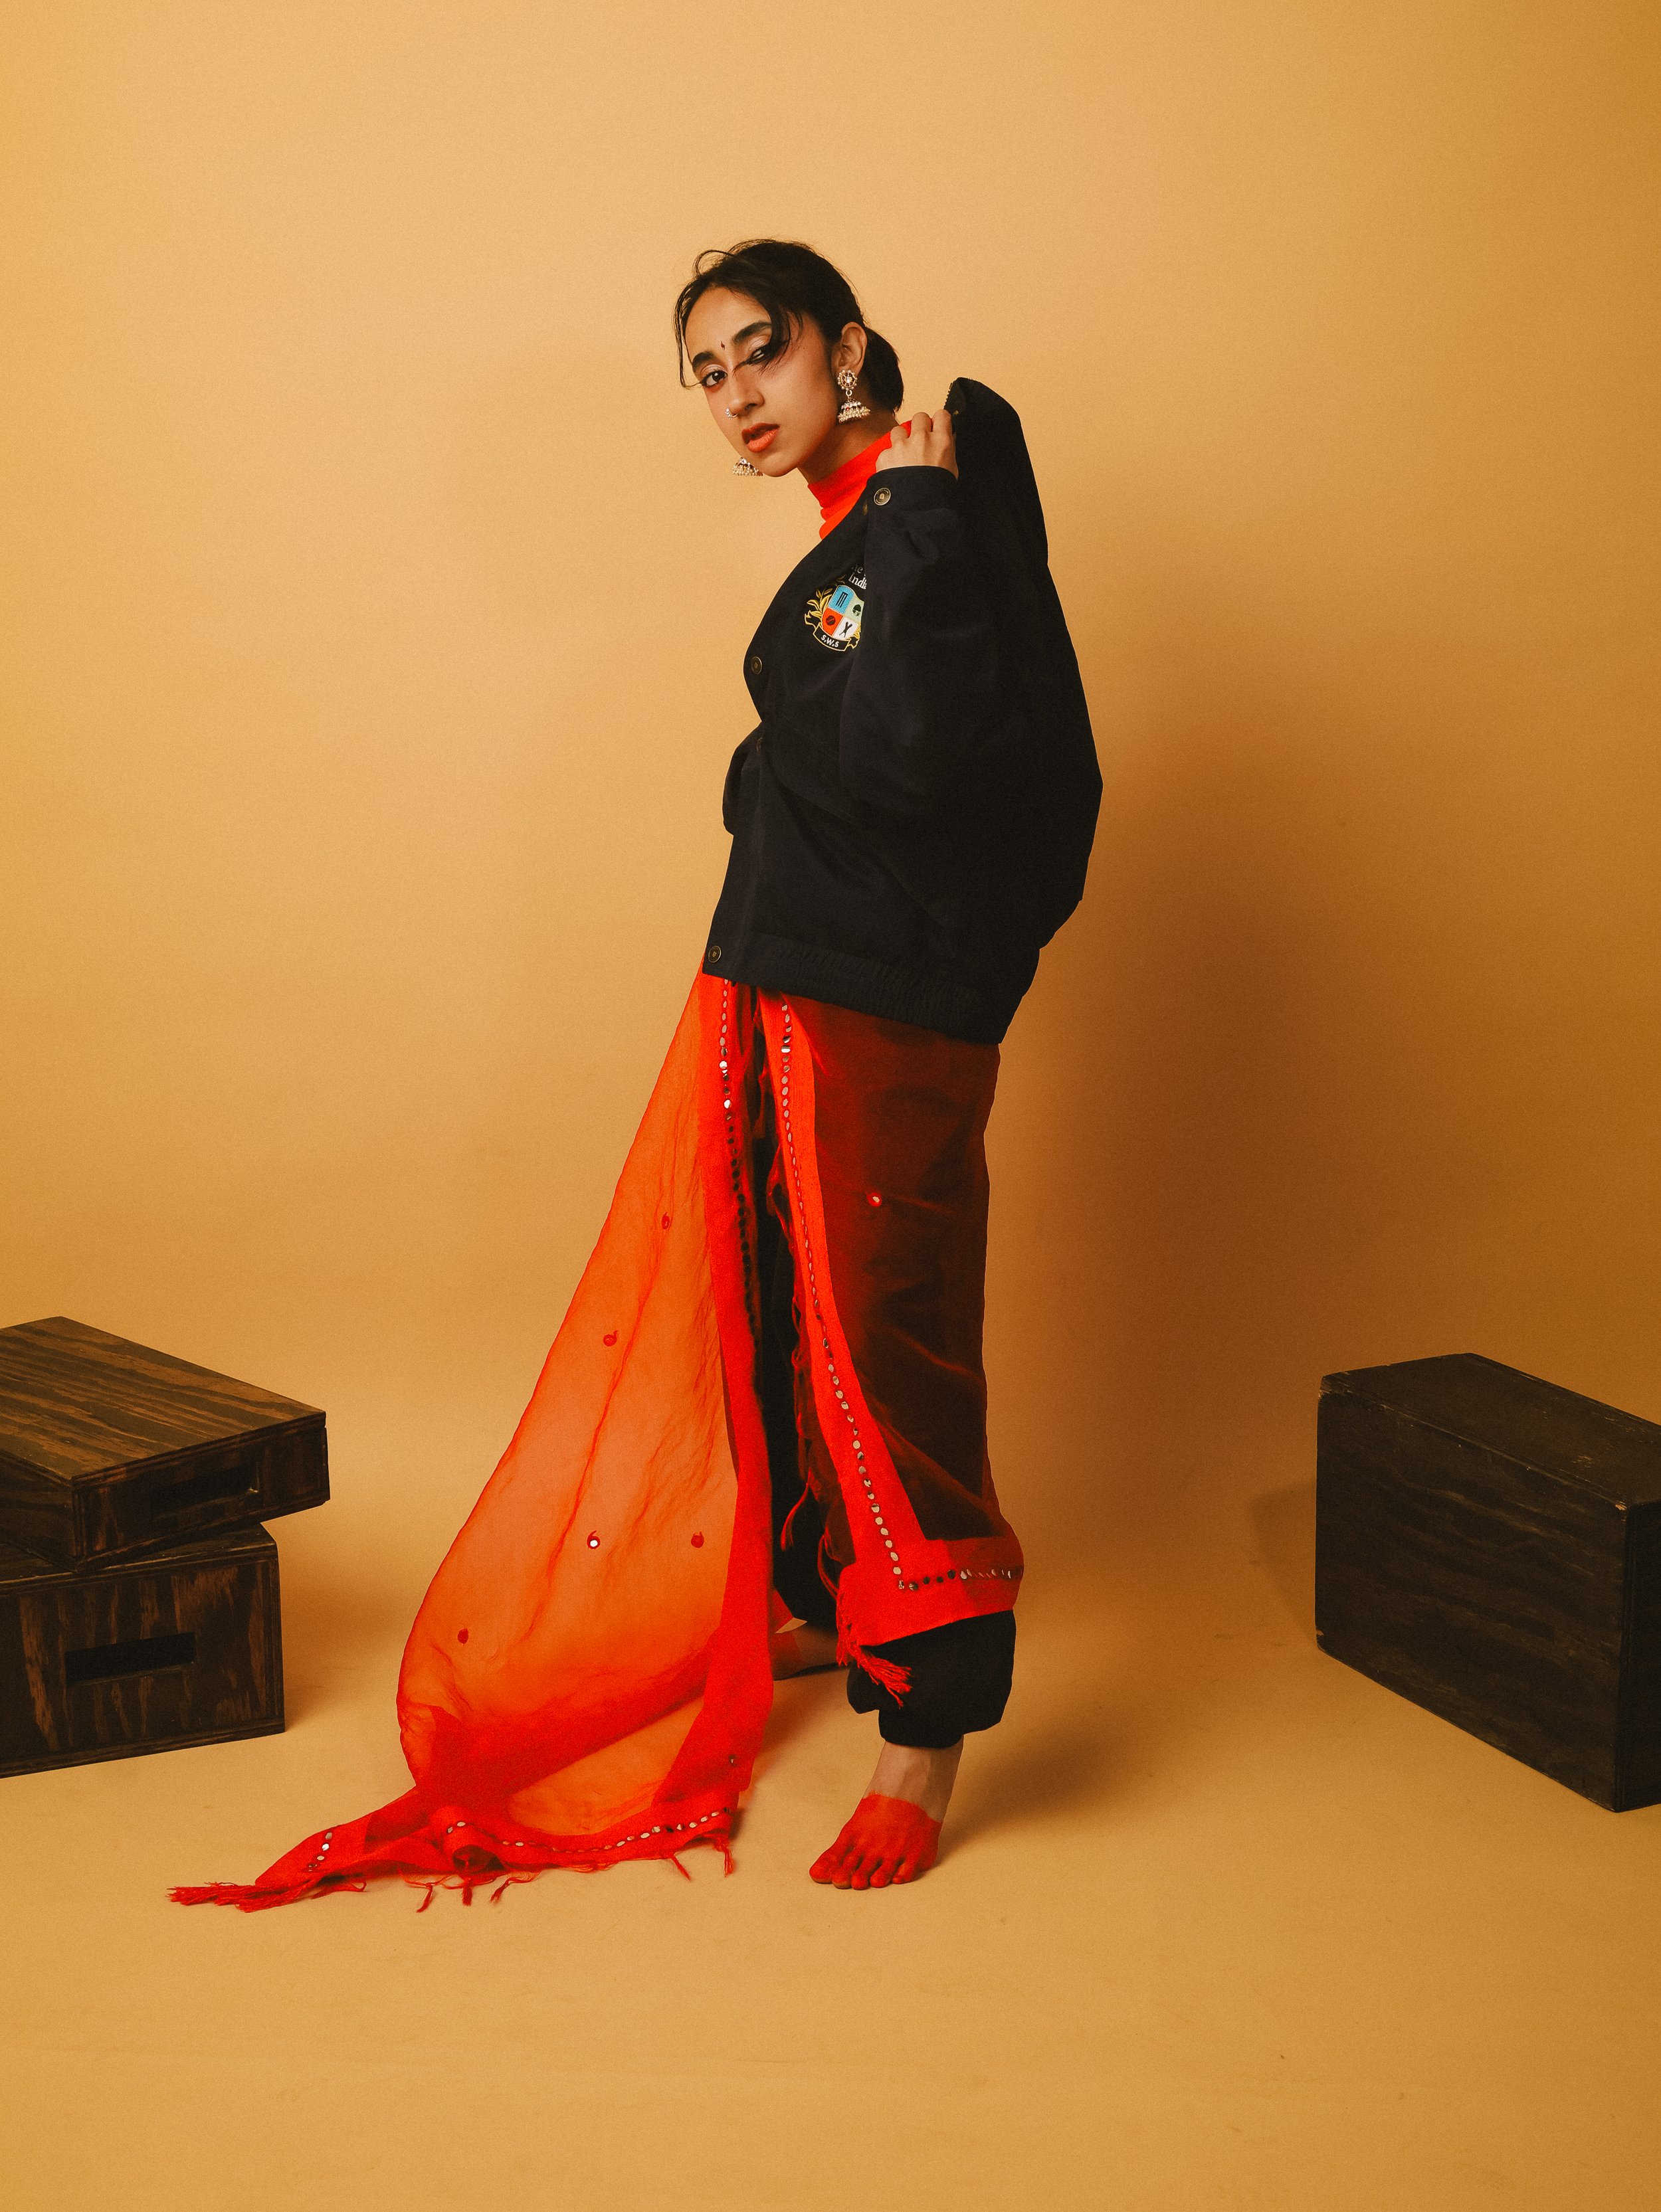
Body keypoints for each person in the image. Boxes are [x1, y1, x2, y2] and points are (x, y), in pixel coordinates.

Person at [173, 240, 1098, 1912]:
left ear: (844, 345)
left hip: (879, 1004)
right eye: (709, 373)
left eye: (763, 353)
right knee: (774, 1308)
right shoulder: (864, 527)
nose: (739, 396)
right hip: (790, 988)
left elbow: (921, 751)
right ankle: (833, 1596)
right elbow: (839, 715)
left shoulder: (924, 496)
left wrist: (902, 542)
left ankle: (932, 1722)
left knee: (879, 1321)